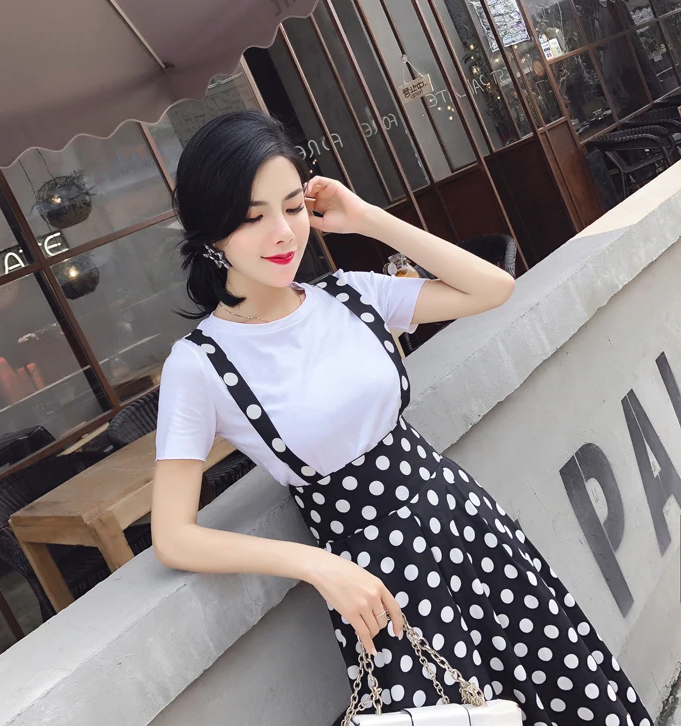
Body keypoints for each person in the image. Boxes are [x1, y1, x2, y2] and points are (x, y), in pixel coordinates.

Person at [152, 110, 653, 725]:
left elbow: (492, 287)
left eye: (293, 207)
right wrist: (317, 565)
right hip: (382, 581)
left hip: (466, 522)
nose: (283, 233)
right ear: (212, 231)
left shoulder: (349, 295)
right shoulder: (200, 364)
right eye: (254, 217)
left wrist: (367, 218)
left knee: (569, 692)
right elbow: (173, 535)